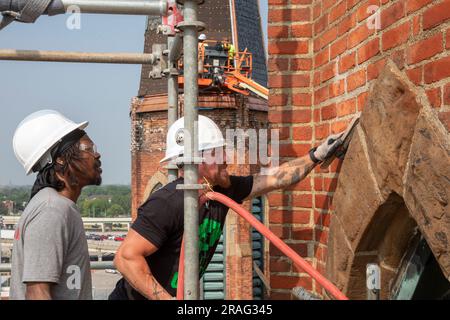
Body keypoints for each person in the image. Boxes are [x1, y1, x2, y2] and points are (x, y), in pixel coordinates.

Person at [109, 115, 344, 300]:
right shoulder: (167, 202)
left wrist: (315, 155)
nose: (227, 158)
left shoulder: (222, 189)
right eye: (218, 152)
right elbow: (125, 258)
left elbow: (275, 178)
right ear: (198, 160)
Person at [10, 110, 102, 300]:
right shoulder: (52, 209)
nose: (97, 155)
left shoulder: (56, 206)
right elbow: (37, 293)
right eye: (89, 149)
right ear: (60, 158)